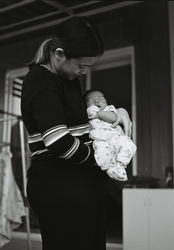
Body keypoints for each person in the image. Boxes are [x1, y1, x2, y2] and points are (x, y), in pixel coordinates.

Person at [21, 16, 132, 250]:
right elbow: (58, 141)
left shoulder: (67, 79)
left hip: (81, 183)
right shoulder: (41, 81)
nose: (83, 72)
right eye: (81, 65)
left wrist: (117, 112)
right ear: (59, 54)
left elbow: (86, 119)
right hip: (59, 187)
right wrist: (101, 158)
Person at [85, 90, 137, 182]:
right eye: (91, 99)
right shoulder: (86, 113)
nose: (97, 101)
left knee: (128, 144)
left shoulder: (109, 109)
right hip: (101, 139)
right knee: (102, 152)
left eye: (100, 98)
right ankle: (110, 170)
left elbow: (113, 118)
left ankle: (120, 166)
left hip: (116, 138)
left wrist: (97, 113)